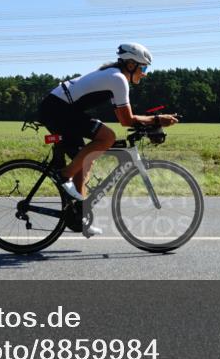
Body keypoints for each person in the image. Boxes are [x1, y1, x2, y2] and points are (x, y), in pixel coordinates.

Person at [38, 43, 179, 234]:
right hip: (58, 109)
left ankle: (79, 215)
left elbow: (125, 117)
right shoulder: (118, 79)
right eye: (143, 67)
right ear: (130, 64)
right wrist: (157, 119)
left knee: (85, 161)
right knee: (107, 137)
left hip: (62, 109)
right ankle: (64, 175)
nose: (145, 73)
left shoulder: (114, 76)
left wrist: (151, 122)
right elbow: (126, 120)